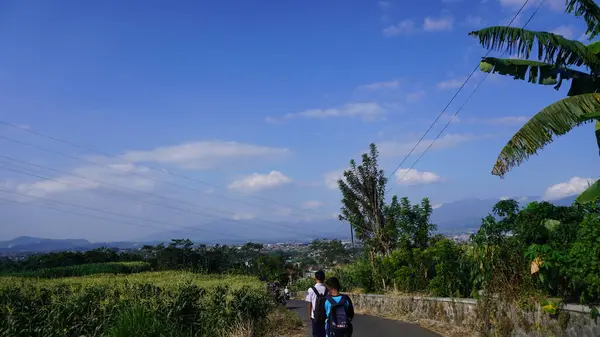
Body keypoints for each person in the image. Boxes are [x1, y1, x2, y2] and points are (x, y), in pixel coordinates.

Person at [305, 270, 327, 337]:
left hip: (314, 315)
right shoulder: (327, 290)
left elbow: (310, 304)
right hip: (325, 315)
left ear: (315, 278)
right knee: (324, 332)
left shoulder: (311, 289)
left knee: (315, 333)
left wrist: (309, 315)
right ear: (324, 278)